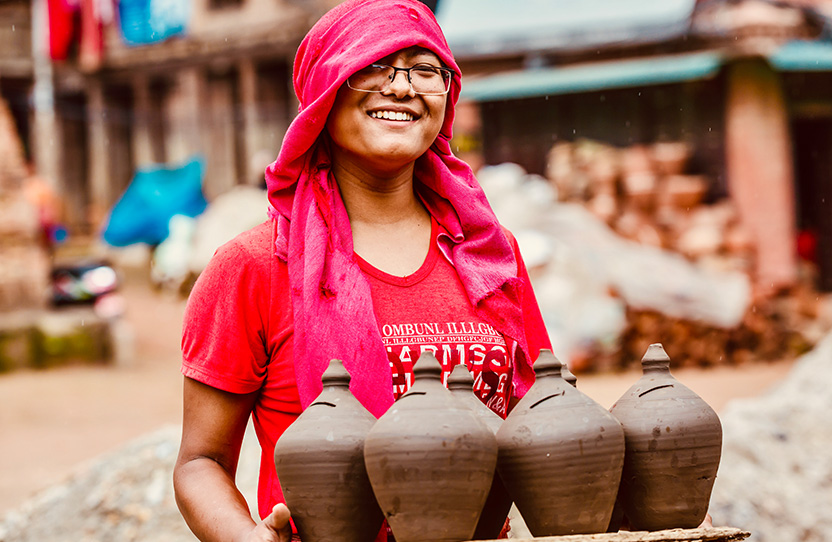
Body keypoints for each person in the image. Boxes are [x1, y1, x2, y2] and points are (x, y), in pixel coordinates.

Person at [173, 1, 551, 540]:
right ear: (323, 93)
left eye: (426, 69)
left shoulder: (489, 254)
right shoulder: (255, 266)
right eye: (372, 66)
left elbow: (543, 424)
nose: (401, 88)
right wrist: (245, 538)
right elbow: (200, 463)